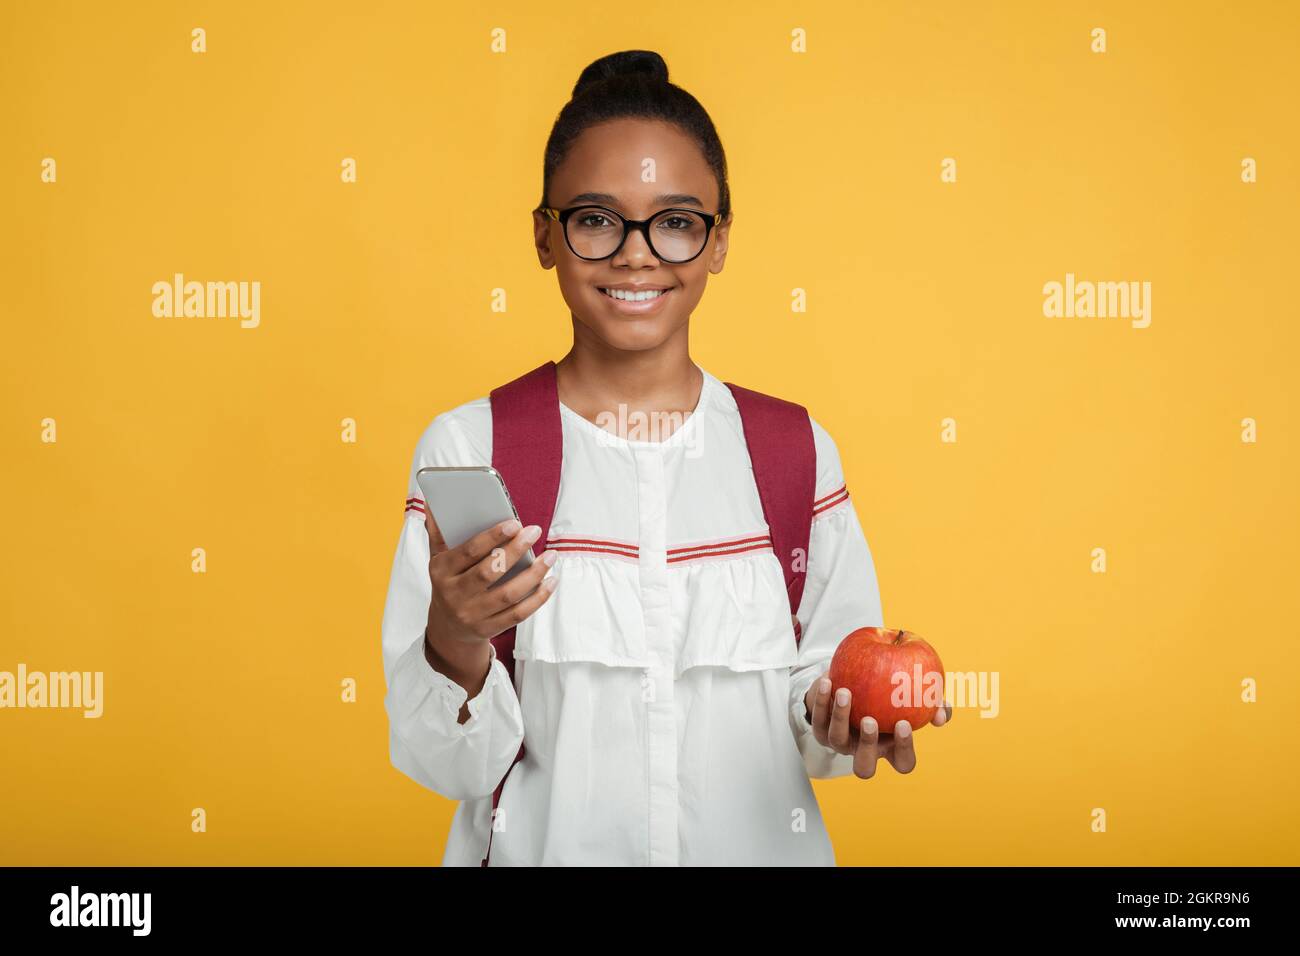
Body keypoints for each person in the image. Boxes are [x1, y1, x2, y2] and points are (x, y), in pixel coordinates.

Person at [381, 49, 951, 866]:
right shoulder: (474, 449)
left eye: (677, 222)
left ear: (719, 242)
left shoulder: (792, 451)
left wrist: (841, 715)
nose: (637, 254)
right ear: (546, 235)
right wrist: (455, 635)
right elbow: (448, 765)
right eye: (595, 217)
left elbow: (819, 702)